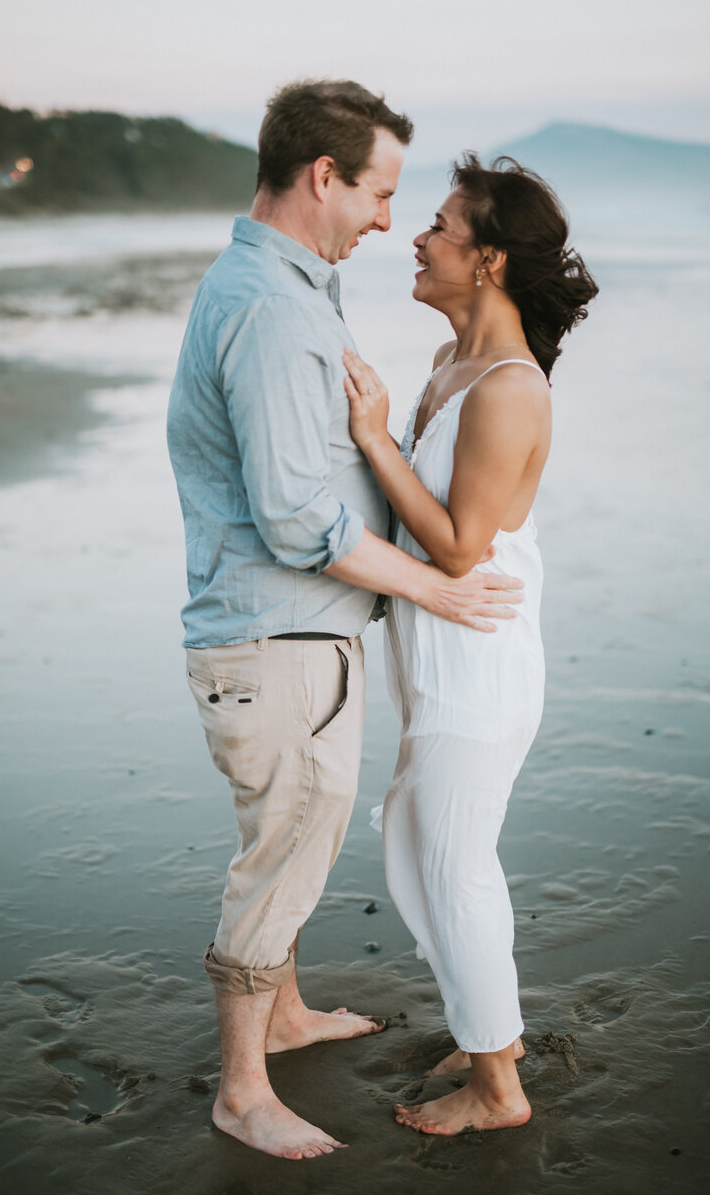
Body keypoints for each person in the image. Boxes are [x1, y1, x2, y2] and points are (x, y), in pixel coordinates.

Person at [167, 85, 525, 1162]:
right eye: (377, 192)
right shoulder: (274, 308)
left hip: (286, 639)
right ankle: (242, 1089)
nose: (385, 219)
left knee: (292, 838)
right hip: (276, 642)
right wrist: (432, 589)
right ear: (323, 176)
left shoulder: (284, 286)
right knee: (281, 861)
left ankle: (282, 1017)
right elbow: (291, 515)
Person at [343, 153, 598, 1136]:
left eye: (440, 225)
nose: (416, 234)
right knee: (415, 848)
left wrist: (370, 437)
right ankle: (483, 1026)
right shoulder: (453, 365)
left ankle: (497, 1089)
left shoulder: (507, 386)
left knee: (448, 866)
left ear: (487, 260)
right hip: (438, 661)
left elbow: (454, 546)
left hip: (478, 667)